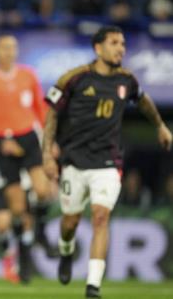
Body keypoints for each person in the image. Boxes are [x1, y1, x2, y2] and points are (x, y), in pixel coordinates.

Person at [42, 25, 172, 298]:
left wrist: (160, 125)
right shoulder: (74, 79)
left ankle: (93, 287)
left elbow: (144, 101)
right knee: (70, 222)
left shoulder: (127, 81)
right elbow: (52, 114)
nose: (120, 48)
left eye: (123, 43)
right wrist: (46, 154)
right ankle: (66, 252)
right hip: (74, 162)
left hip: (108, 162)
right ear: (98, 48)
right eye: (114, 43)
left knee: (101, 217)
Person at [0, 32, 54, 283]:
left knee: (43, 189)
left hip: (28, 138)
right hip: (3, 144)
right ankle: (20, 257)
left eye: (13, 47)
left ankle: (39, 231)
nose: (9, 51)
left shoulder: (28, 75)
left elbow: (41, 110)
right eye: (5, 47)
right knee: (16, 209)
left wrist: (50, 143)